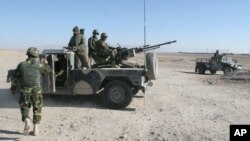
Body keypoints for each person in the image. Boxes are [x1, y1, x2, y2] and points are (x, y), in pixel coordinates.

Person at [10, 47, 51, 136]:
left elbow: (15, 78)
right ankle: (36, 129)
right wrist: (46, 63)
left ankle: (27, 120)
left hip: (24, 90)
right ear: (36, 55)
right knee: (37, 108)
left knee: (24, 107)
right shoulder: (39, 65)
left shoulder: (21, 64)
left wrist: (13, 89)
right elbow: (48, 71)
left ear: (28, 54)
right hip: (37, 91)